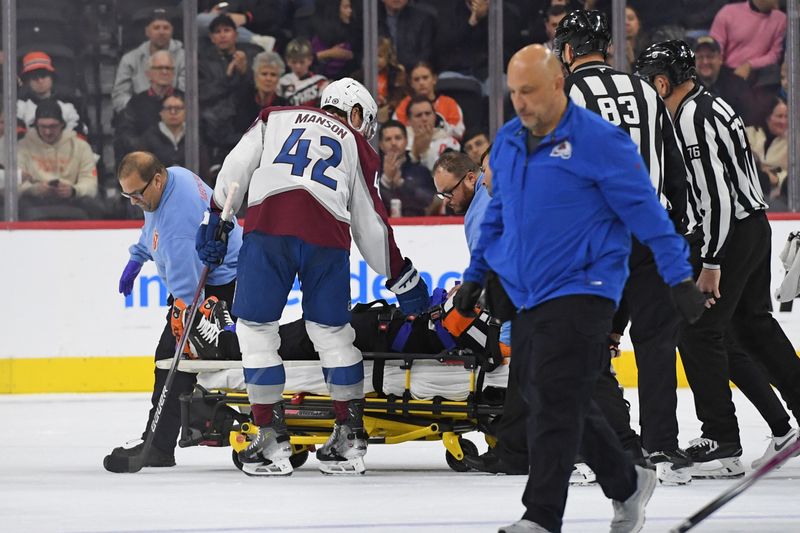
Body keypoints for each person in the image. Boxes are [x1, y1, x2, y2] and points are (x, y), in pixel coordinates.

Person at [453, 44, 704, 533]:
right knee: (544, 391)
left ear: (557, 85)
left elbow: (647, 212)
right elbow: (499, 214)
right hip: (529, 288)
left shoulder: (600, 142)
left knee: (555, 395)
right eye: (513, 92)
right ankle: (626, 481)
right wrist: (475, 275)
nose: (520, 101)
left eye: (529, 90)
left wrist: (678, 276)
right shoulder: (506, 141)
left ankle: (541, 516)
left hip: (589, 285)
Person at [195, 78, 430, 476]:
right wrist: (400, 276)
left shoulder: (275, 117)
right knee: (334, 334)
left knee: (256, 331)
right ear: (355, 113)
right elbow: (370, 226)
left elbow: (235, 169)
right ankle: (349, 437)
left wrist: (218, 217)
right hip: (328, 238)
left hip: (270, 230)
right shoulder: (358, 147)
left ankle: (271, 438)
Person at [634, 40, 800, 479]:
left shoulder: (689, 118)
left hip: (729, 234)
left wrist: (711, 262)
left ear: (663, 81)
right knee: (753, 327)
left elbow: (718, 198)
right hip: (751, 226)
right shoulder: (710, 104)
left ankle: (721, 439)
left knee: (698, 329)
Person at [555, 9, 693, 485]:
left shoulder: (566, 94)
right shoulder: (648, 94)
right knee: (656, 344)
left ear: (568, 52)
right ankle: (662, 451)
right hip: (650, 232)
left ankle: (597, 449)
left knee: (583, 342)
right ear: (607, 49)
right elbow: (676, 172)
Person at [103, 151, 243, 473]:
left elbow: (188, 293)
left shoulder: (177, 224)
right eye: (128, 195)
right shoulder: (170, 180)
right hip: (215, 279)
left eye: (137, 194)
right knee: (174, 360)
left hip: (218, 288)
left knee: (172, 359)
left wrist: (184, 320)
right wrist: (137, 257)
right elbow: (150, 223)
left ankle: (158, 446)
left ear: (156, 179)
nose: (134, 201)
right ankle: (159, 442)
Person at [17, 99, 103, 220]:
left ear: (62, 124)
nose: (47, 132)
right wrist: (35, 189)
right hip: (35, 199)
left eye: (53, 126)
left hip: (71, 198)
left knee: (92, 204)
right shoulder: (22, 147)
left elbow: (90, 182)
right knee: (18, 205)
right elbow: (14, 183)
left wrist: (73, 190)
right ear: (35, 125)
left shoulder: (81, 146)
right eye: (43, 127)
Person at [199, 14, 256, 168]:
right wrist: (228, 77)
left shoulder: (252, 55)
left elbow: (257, 93)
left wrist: (245, 72)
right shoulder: (202, 62)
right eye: (218, 32)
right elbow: (202, 94)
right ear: (211, 37)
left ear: (236, 34)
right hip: (215, 128)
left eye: (227, 30)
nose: (222, 35)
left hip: (245, 124)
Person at [113, 8, 185, 113]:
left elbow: (186, 94)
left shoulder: (185, 57)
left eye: (166, 28)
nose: (161, 32)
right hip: (139, 117)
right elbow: (119, 96)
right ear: (147, 31)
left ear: (172, 31)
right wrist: (138, 110)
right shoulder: (130, 59)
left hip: (174, 114)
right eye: (156, 28)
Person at [114, 51, 181, 160]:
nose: (164, 72)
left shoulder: (184, 99)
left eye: (168, 68)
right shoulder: (135, 103)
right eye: (159, 68)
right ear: (148, 73)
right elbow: (126, 135)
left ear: (174, 73)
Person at [709, 0, 786, 83]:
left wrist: (749, 65)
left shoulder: (781, 19)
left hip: (760, 74)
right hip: (727, 71)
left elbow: (775, 55)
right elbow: (715, 47)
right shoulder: (728, 12)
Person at [16, 51, 88, 137]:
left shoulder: (70, 103)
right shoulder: (19, 106)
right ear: (27, 81)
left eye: (43, 75)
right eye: (34, 77)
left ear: (52, 78)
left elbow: (80, 134)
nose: (40, 81)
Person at [378, 120, 436, 217]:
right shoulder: (371, 171)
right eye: (388, 139)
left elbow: (429, 200)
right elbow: (367, 204)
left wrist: (402, 184)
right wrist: (386, 181)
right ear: (381, 145)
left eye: (398, 138)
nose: (393, 143)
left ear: (406, 141)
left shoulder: (420, 171)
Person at [393, 62, 465, 140]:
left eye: (425, 78)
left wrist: (438, 130)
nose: (421, 83)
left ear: (434, 79)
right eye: (416, 79)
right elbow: (396, 131)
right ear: (411, 83)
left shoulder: (449, 103)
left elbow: (459, 132)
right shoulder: (404, 105)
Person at [693, 35, 753, 123]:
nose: (705, 62)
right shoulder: (685, 88)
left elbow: (747, 119)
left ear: (720, 59)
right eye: (700, 57)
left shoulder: (737, 85)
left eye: (710, 56)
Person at [235, 51, 290, 133]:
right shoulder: (243, 102)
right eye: (264, 74)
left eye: (273, 75)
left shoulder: (284, 107)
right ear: (256, 76)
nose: (268, 79)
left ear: (279, 78)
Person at [746, 96, 788, 200]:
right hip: (749, 189)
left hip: (780, 196)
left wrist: (777, 179)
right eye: (779, 116)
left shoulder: (793, 141)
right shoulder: (748, 133)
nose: (784, 121)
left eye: (786, 116)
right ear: (767, 117)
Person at [404, 95, 461, 172]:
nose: (424, 119)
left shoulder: (449, 142)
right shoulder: (402, 141)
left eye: (428, 114)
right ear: (409, 121)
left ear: (434, 116)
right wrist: (415, 154)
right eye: (418, 115)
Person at [378, 0, 434, 72]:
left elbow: (426, 54)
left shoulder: (423, 19)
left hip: (412, 75)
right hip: (378, 75)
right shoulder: (369, 18)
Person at [310, 0, 361, 79]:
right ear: (336, 9)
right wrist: (331, 53)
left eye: (350, 7)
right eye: (346, 7)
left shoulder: (355, 30)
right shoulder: (319, 33)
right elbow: (308, 59)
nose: (350, 11)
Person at [139, 93, 188, 168]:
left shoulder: (194, 135)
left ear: (185, 112)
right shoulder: (148, 137)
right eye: (168, 108)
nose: (173, 112)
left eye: (177, 108)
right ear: (161, 113)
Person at [277, 38, 328, 108]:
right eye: (294, 62)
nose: (298, 66)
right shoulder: (282, 82)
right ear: (287, 61)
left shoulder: (320, 81)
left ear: (310, 60)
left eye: (302, 62)